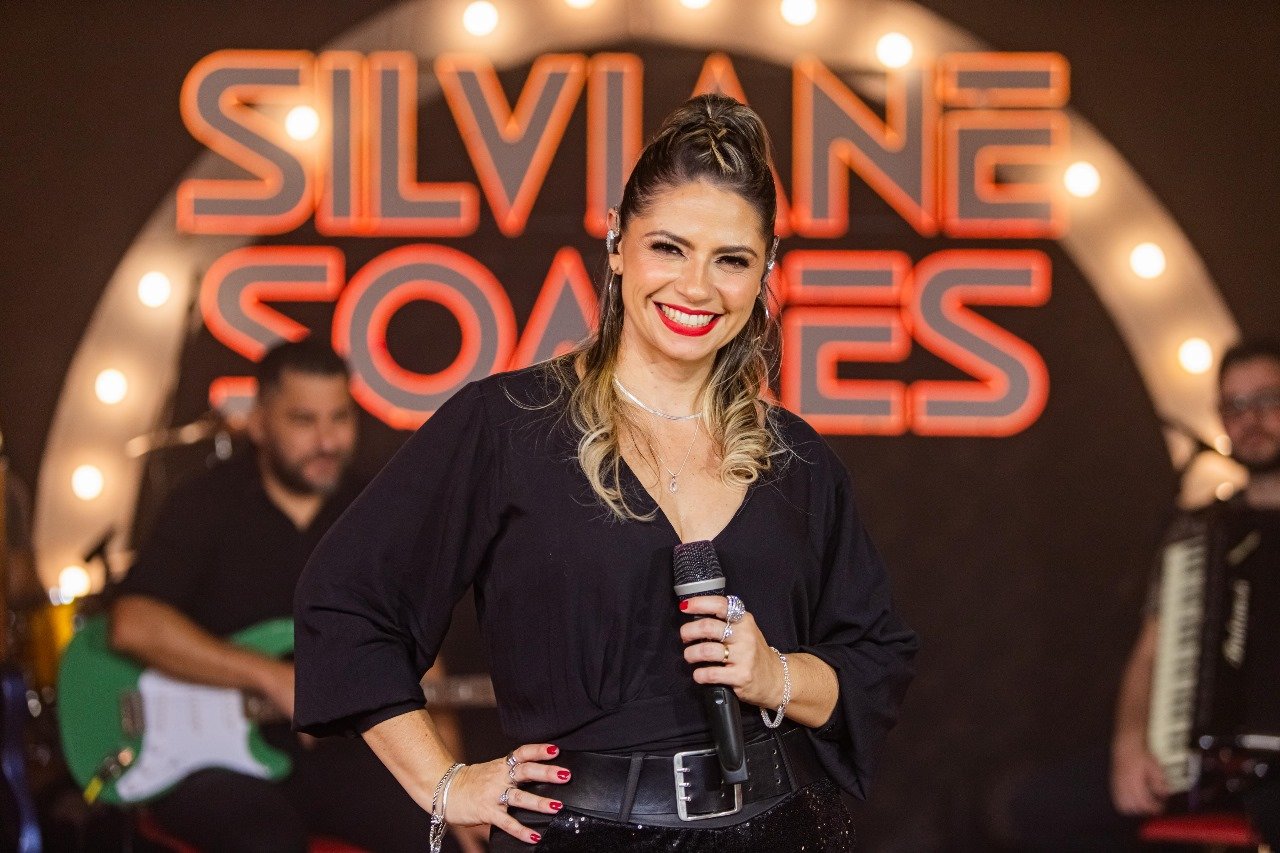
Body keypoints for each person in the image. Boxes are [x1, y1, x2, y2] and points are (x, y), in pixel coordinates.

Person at [293, 94, 918, 852]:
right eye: (669, 248)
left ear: (766, 271)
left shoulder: (798, 459)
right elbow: (349, 604)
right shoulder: (507, 425)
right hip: (581, 834)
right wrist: (443, 783)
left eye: (731, 260)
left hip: (778, 829)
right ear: (618, 242)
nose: (696, 287)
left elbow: (875, 660)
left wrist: (775, 675)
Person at [109, 340, 473, 853]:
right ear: (259, 424)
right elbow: (132, 622)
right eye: (304, 420)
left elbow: (424, 664)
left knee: (432, 838)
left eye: (339, 418)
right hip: (213, 763)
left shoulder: (379, 508)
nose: (327, 441)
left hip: (341, 759)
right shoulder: (203, 503)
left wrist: (450, 789)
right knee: (265, 838)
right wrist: (270, 676)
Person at [1110, 338, 1280, 846]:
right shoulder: (1200, 530)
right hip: (1206, 764)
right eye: (1235, 406)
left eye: (1268, 400)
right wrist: (1130, 743)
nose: (1251, 420)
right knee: (1025, 806)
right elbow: (1149, 654)